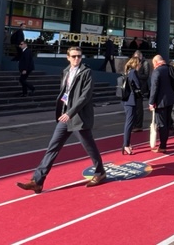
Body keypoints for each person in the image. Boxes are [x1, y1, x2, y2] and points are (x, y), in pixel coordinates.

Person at [16, 47, 106, 193]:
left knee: (89, 147)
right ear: (68, 57)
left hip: (78, 116)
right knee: (53, 147)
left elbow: (85, 96)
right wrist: (62, 108)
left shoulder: (86, 72)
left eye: (79, 56)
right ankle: (37, 181)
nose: (77, 59)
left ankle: (100, 171)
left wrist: (70, 112)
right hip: (65, 116)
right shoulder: (65, 72)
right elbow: (65, 92)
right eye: (74, 56)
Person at [148, 55, 174, 153]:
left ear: (156, 62)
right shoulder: (170, 68)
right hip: (170, 99)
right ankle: (164, 143)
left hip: (161, 102)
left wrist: (151, 102)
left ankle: (163, 146)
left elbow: (154, 88)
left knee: (162, 124)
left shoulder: (157, 71)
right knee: (167, 123)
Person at [121, 56, 142, 155]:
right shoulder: (133, 72)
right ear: (136, 63)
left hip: (127, 100)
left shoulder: (128, 71)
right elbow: (138, 85)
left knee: (129, 122)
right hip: (131, 100)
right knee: (129, 123)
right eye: (139, 63)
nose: (140, 65)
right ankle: (125, 144)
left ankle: (127, 143)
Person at [131, 50, 150, 131]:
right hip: (134, 87)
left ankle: (138, 125)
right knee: (134, 107)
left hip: (141, 87)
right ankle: (134, 123)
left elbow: (146, 75)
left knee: (139, 107)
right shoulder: (134, 63)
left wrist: (136, 75)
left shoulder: (145, 63)